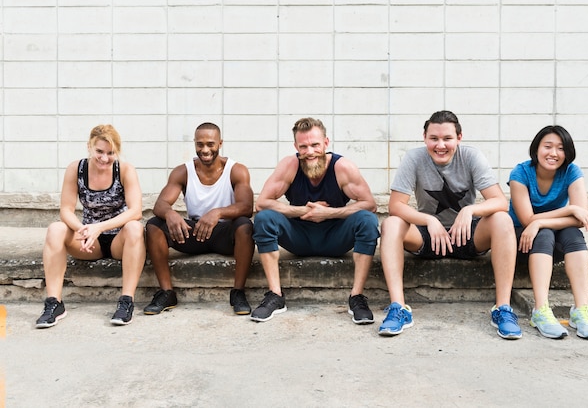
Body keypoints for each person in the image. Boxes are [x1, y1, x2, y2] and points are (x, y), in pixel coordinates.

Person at [379, 110, 522, 339]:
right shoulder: (414, 158)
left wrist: (470, 210)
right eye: (434, 138)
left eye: (447, 138)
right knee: (392, 224)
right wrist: (428, 219)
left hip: (467, 235)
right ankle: (399, 308)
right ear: (424, 137)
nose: (440, 145)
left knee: (502, 219)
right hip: (429, 237)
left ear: (459, 138)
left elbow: (499, 202)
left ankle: (502, 309)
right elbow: (396, 205)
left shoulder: (472, 156)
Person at [251, 117, 380, 323]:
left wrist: (329, 213)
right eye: (303, 146)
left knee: (367, 220)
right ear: (296, 146)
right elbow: (262, 202)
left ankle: (356, 297)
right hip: (299, 237)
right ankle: (275, 295)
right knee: (264, 218)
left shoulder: (342, 167)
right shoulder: (290, 165)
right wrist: (300, 210)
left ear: (326, 143)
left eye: (315, 145)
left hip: (335, 238)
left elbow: (369, 203)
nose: (310, 152)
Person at [36, 124, 145, 328]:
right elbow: (66, 210)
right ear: (89, 147)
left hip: (118, 240)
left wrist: (100, 227)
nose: (104, 158)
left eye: (111, 153)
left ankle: (126, 302)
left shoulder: (125, 170)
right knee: (55, 229)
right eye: (99, 152)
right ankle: (54, 303)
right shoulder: (76, 169)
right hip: (88, 240)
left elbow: (136, 211)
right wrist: (81, 229)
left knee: (135, 228)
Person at [144, 122, 255, 315]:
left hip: (224, 234)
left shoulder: (236, 170)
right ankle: (166, 292)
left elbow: (246, 207)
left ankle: (238, 292)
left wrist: (217, 212)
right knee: (154, 225)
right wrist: (171, 214)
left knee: (245, 226)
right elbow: (159, 205)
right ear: (195, 144)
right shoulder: (183, 171)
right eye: (200, 144)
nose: (205, 150)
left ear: (220, 143)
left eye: (210, 144)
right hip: (194, 232)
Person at [508, 125, 588, 340]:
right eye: (547, 146)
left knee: (572, 234)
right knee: (546, 233)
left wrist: (540, 222)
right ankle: (540, 310)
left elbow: (580, 219)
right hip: (524, 241)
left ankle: (581, 311)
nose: (553, 153)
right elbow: (527, 220)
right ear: (536, 149)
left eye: (560, 148)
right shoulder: (520, 173)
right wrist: (570, 208)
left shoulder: (572, 172)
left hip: (546, 237)